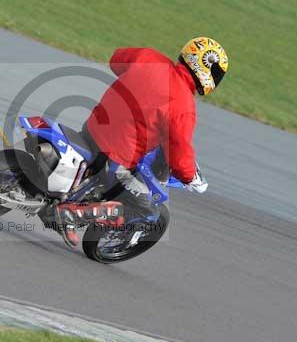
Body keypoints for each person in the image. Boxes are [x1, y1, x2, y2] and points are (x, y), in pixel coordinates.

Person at [57, 36, 229, 246]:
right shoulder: (184, 107)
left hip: (91, 128)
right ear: (207, 72)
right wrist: (189, 177)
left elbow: (116, 59)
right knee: (145, 207)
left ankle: (76, 193)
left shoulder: (150, 57)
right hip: (116, 156)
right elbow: (179, 151)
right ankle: (73, 216)